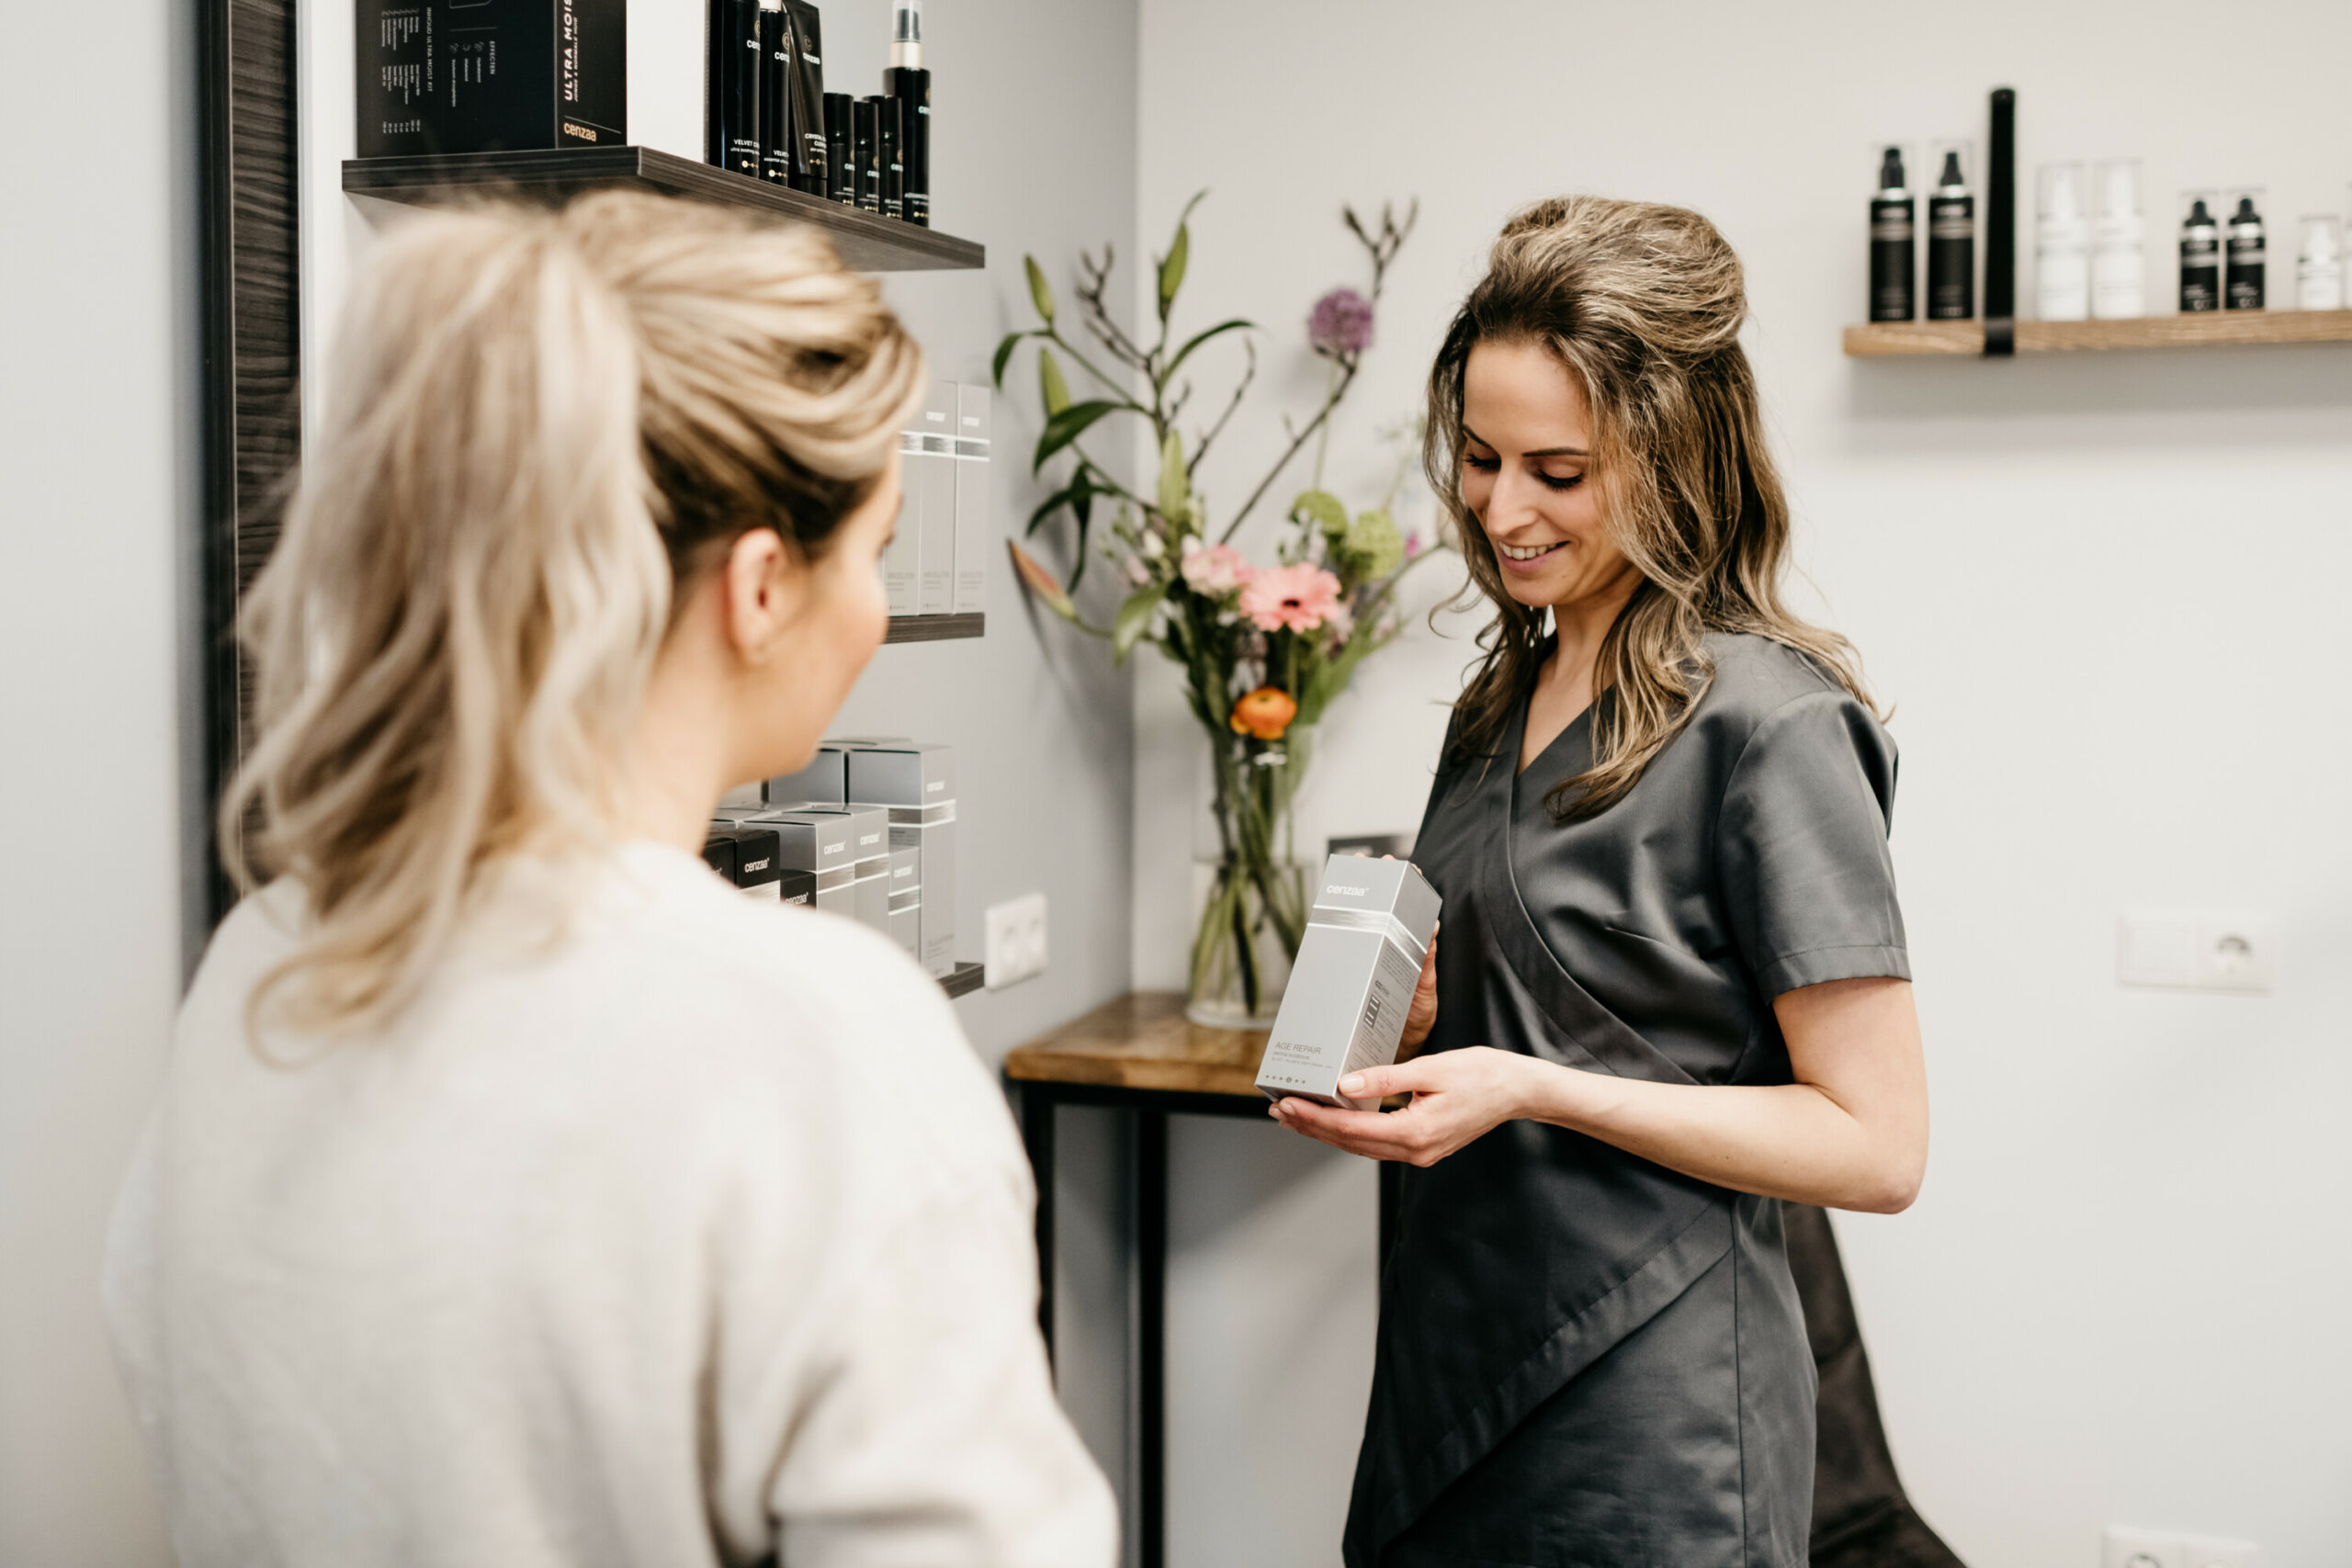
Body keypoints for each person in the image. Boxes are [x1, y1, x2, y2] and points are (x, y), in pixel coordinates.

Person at [103, 192, 1115, 1568]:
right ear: (761, 587)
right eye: (874, 551)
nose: (875, 607)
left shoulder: (268, 974)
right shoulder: (815, 1046)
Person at [1270, 196, 1930, 1568]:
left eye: (1557, 473)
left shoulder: (1774, 726)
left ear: (1672, 458)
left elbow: (1878, 1149)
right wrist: (1409, 1029)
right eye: (1479, 458)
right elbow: (1528, 999)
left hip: (1654, 1411)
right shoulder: (1496, 700)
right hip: (1452, 1365)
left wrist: (1533, 1081)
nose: (1501, 509)